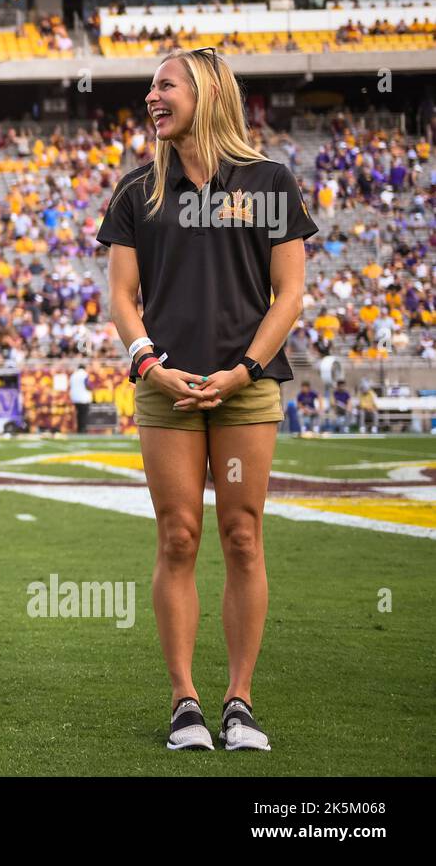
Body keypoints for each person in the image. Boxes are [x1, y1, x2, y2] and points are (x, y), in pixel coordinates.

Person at [98, 47, 318, 752]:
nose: (152, 97)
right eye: (151, 87)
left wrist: (247, 369)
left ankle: (240, 701)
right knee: (178, 536)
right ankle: (185, 702)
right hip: (166, 388)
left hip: (245, 390)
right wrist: (148, 365)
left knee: (244, 536)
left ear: (207, 92)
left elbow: (291, 294)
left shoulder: (270, 181)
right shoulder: (137, 192)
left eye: (165, 85)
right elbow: (122, 299)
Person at [69, 363, 92, 433]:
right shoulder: (85, 374)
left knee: (79, 414)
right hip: (84, 398)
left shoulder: (73, 375)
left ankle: (79, 429)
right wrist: (91, 388)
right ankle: (83, 430)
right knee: (84, 415)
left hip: (75, 398)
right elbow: (87, 385)